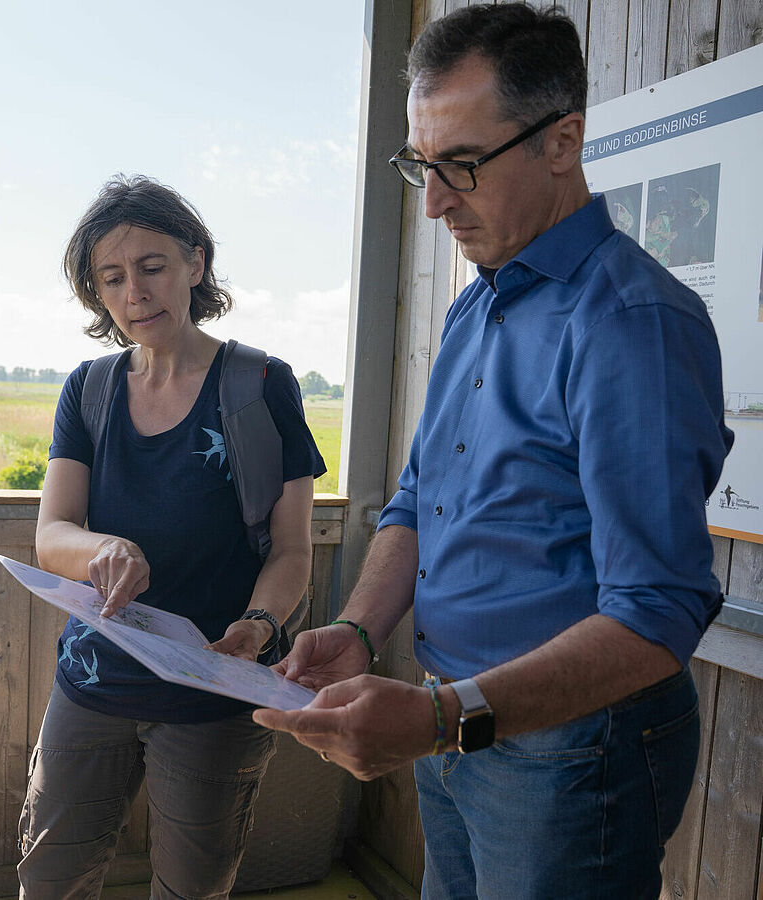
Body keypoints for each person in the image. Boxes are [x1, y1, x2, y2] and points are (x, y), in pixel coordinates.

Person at [253, 5, 734, 898]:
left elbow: (658, 612)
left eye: (462, 166)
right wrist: (361, 632)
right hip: (455, 723)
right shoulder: (479, 303)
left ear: (563, 142)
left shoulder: (631, 322)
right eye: (420, 166)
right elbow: (416, 500)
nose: (434, 202)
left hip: (574, 747)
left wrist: (443, 717)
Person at [20, 175, 326, 899]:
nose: (135, 293)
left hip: (212, 692)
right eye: (112, 278)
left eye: (152, 267)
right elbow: (51, 533)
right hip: (94, 680)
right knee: (51, 878)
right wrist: (102, 550)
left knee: (194, 888)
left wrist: (257, 626)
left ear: (195, 261)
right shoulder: (88, 390)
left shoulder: (260, 385)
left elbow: (291, 549)